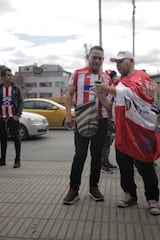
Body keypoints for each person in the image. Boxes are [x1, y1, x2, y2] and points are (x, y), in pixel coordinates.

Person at [95, 50, 160, 215]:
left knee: (145, 167)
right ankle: (130, 195)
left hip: (141, 133)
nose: (118, 65)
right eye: (116, 62)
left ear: (131, 61)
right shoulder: (118, 83)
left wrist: (108, 89)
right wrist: (101, 97)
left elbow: (135, 95)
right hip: (122, 133)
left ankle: (152, 199)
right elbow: (112, 107)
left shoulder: (141, 77)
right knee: (125, 168)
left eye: (121, 61)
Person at [62, 46, 111, 205]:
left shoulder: (106, 78)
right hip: (83, 119)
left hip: (101, 119)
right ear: (88, 57)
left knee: (97, 156)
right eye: (94, 57)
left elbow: (110, 102)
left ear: (103, 60)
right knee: (80, 155)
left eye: (100, 58)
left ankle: (93, 187)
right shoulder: (78, 73)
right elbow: (69, 94)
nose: (97, 60)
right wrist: (69, 115)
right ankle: (73, 189)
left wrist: (111, 120)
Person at [0, 68, 23, 168]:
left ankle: (17, 160)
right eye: (8, 75)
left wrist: (17, 115)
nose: (11, 77)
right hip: (2, 118)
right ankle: (2, 160)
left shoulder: (16, 88)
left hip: (12, 117)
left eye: (11, 75)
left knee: (16, 138)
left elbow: (21, 102)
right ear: (3, 77)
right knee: (2, 139)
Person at [101, 70, 118, 174]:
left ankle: (106, 161)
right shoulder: (109, 89)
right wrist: (110, 120)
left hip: (111, 120)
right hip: (107, 119)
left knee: (108, 143)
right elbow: (108, 105)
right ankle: (102, 164)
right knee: (105, 143)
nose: (116, 78)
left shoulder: (111, 88)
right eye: (115, 77)